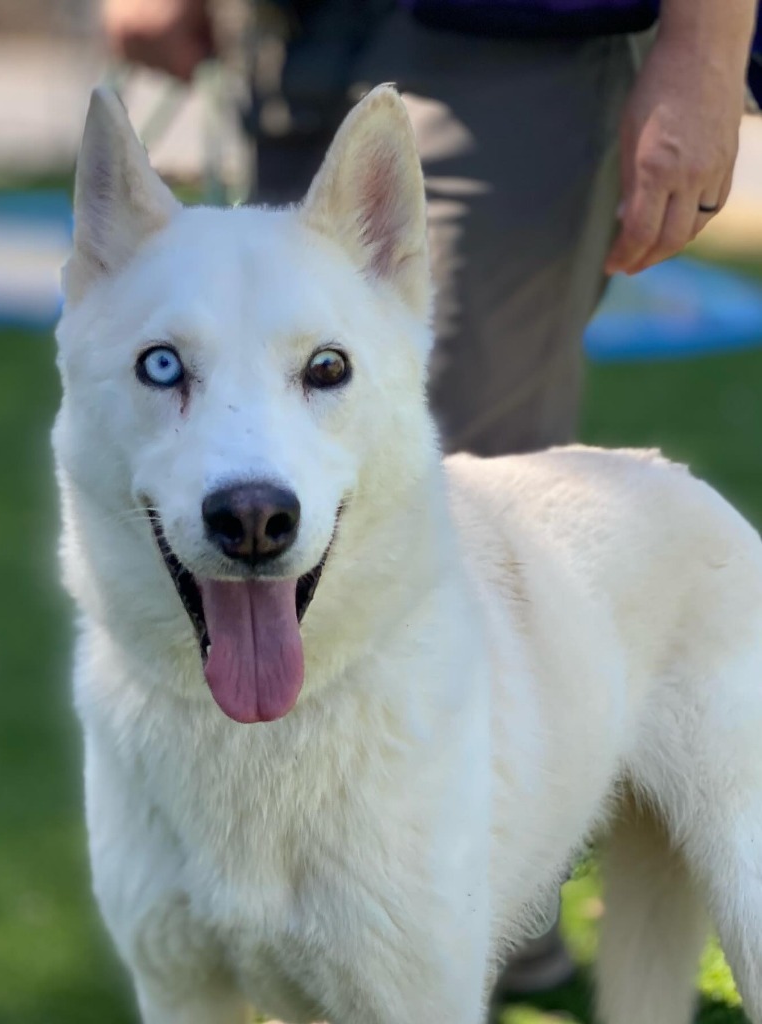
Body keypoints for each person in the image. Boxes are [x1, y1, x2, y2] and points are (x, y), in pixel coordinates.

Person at [102, 0, 759, 994]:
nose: (251, 494)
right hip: (289, 31)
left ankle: (468, 905)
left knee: (436, 497)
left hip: (522, 30)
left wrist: (708, 48)